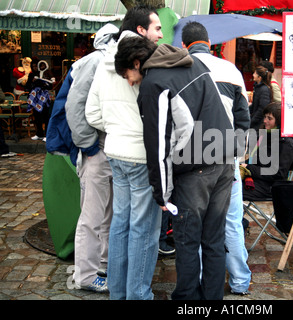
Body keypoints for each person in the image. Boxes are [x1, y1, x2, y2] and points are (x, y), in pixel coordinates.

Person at [115, 36, 235, 300]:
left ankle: (187, 301)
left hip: (196, 170)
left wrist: (161, 194)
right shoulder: (192, 63)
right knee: (214, 240)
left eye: (127, 75)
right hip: (225, 160)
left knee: (187, 241)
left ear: (136, 62)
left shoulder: (154, 83)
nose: (129, 82)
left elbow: (157, 147)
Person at [85, 5, 163, 300]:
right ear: (141, 29)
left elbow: (92, 114)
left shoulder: (105, 59)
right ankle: (138, 295)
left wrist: (116, 127)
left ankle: (118, 292)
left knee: (120, 225)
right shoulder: (146, 60)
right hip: (141, 156)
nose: (161, 33)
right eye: (157, 27)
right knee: (142, 229)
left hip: (116, 152)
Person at [181, 21, 252, 296]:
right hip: (226, 157)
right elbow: (243, 119)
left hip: (193, 158)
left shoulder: (181, 69)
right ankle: (240, 281)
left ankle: (198, 285)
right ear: (209, 43)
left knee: (196, 225)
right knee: (230, 222)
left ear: (184, 45)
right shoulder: (231, 70)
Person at [64, 23, 119, 293]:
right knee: (92, 216)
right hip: (98, 148)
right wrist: (89, 145)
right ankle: (86, 275)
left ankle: (102, 264)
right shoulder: (94, 61)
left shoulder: (106, 60)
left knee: (108, 214)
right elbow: (74, 105)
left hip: (112, 148)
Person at [241, 102, 293, 200]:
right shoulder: (268, 135)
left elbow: (278, 174)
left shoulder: (287, 144)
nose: (264, 121)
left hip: (271, 186)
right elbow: (256, 159)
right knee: (226, 183)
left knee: (230, 190)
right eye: (265, 117)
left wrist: (249, 168)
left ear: (279, 121)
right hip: (259, 180)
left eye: (269, 118)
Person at [250, 65, 273, 130]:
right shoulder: (258, 88)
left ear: (259, 77)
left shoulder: (264, 89)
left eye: (255, 73)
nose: (253, 75)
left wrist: (252, 120)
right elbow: (254, 105)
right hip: (257, 122)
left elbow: (262, 108)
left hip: (260, 124)